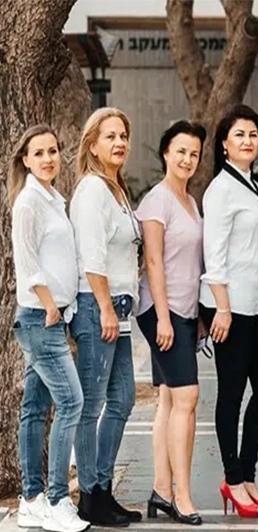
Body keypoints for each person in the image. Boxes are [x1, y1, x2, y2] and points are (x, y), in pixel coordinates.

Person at [199, 105, 258, 518]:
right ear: (225, 144)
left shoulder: (254, 183)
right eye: (240, 134)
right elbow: (213, 256)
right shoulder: (220, 190)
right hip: (228, 307)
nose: (248, 140)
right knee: (231, 394)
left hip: (257, 305)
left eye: (253, 134)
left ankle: (245, 474)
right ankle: (232, 480)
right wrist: (223, 310)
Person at [10, 125, 89, 532]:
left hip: (53, 314)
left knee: (36, 409)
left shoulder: (54, 200)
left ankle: (30, 499)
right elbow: (27, 263)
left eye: (53, 151)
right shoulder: (28, 204)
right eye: (38, 152)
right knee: (71, 402)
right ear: (24, 159)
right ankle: (57, 499)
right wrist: (49, 306)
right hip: (41, 318)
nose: (47, 158)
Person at [69, 108, 142, 528]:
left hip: (119, 308)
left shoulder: (117, 190)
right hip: (100, 306)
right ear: (92, 144)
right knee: (92, 404)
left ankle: (103, 488)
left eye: (123, 136)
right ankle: (89, 499)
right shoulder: (92, 191)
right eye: (109, 136)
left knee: (124, 398)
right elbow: (91, 257)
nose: (119, 143)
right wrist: (106, 309)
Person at [136, 120, 207, 526]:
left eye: (194, 153)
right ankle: (182, 494)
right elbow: (153, 261)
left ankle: (161, 490)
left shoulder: (190, 201)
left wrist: (194, 316)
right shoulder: (156, 201)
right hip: (161, 312)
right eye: (180, 150)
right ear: (166, 152)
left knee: (168, 401)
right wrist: (164, 317)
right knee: (187, 398)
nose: (187, 159)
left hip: (184, 313)